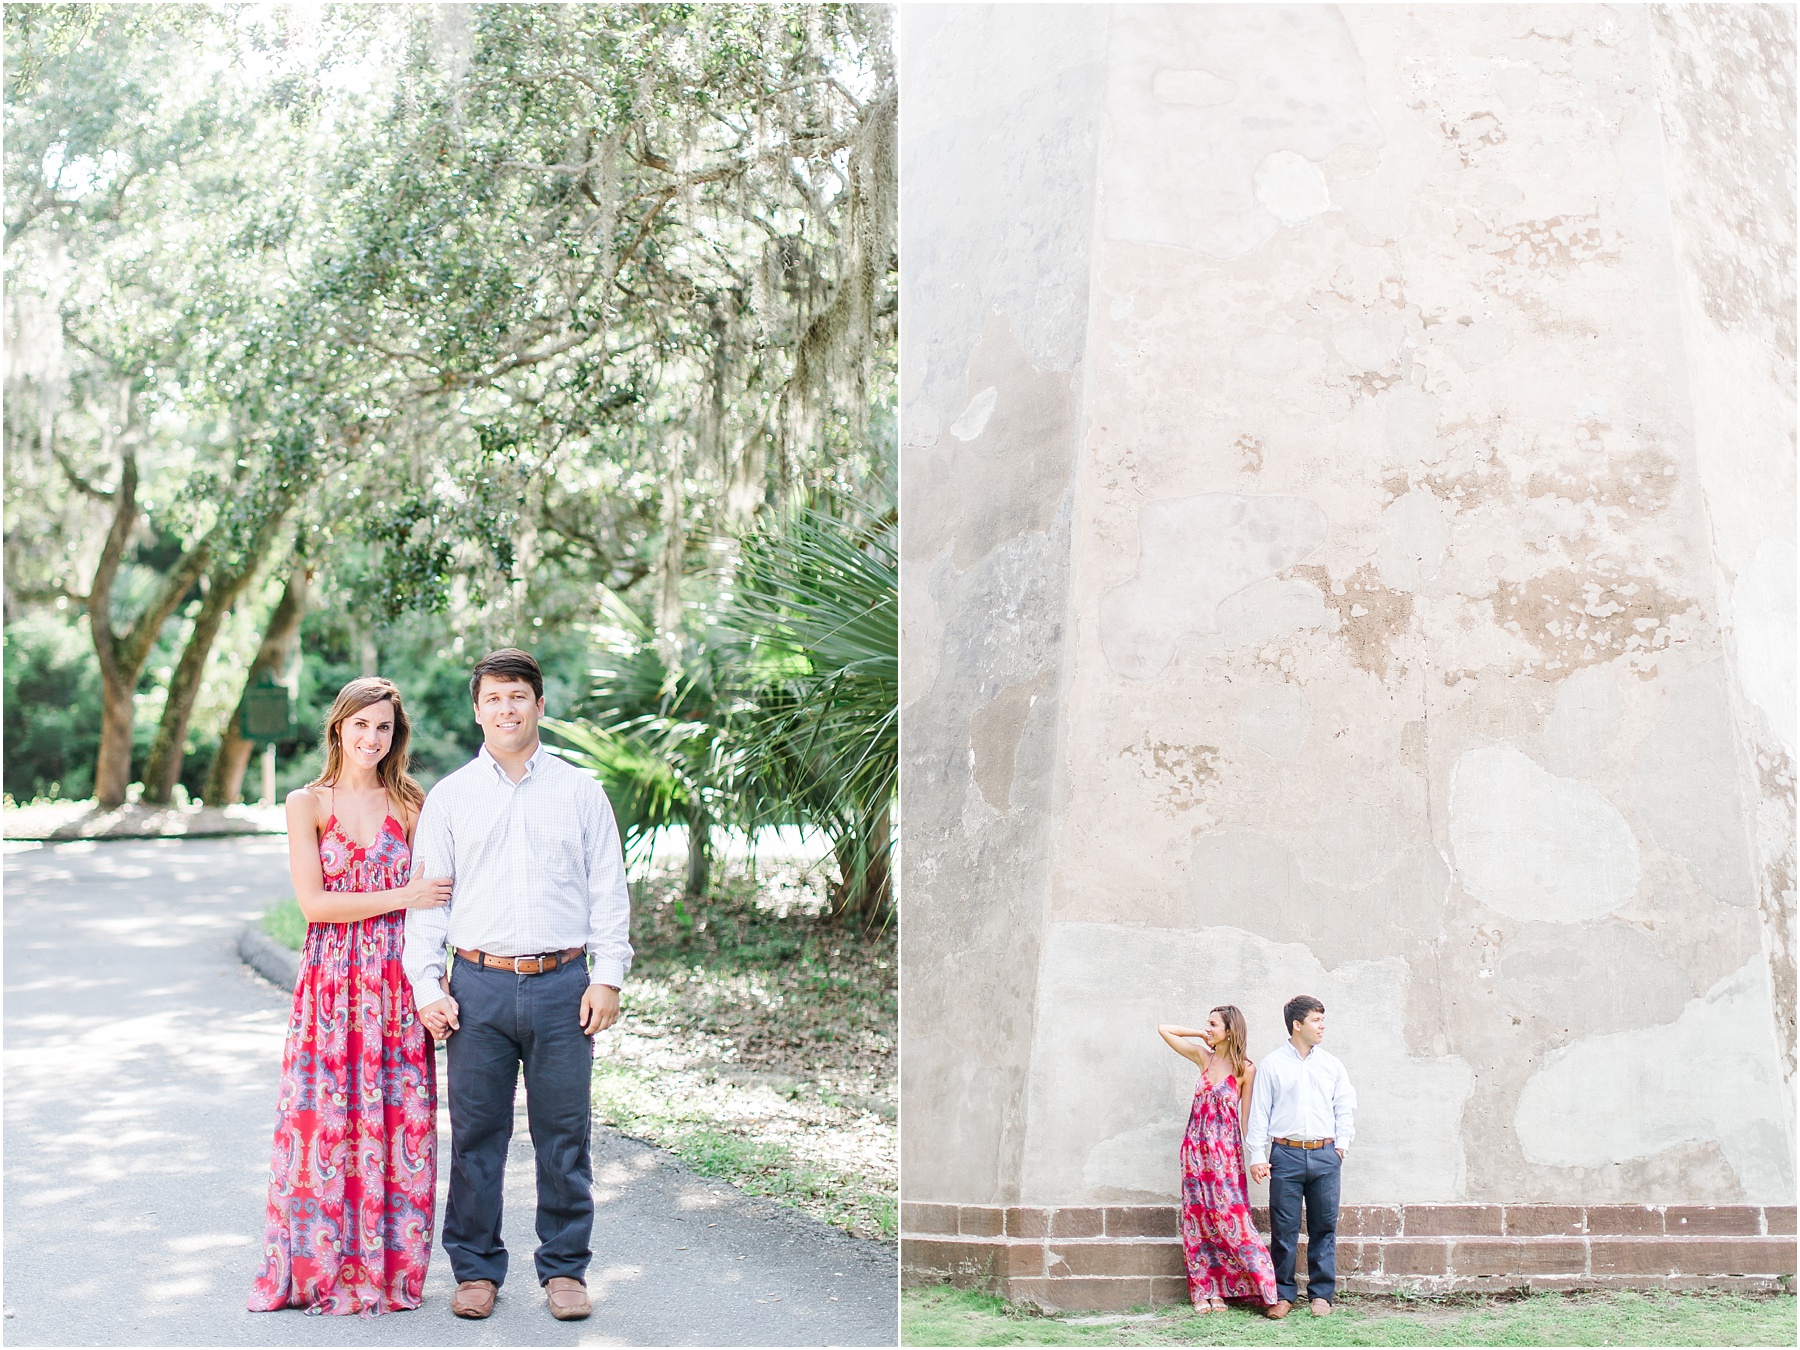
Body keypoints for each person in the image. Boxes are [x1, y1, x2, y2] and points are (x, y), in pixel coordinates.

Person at [403, 648, 633, 1323]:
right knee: (477, 1136)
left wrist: (608, 976)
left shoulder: (579, 790)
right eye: (494, 697)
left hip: (564, 984)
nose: (507, 708)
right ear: (478, 710)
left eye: (518, 696)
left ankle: (564, 1270)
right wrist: (427, 987)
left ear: (539, 705)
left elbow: (607, 889)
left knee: (565, 1134)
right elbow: (430, 903)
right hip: (478, 987)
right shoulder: (450, 797)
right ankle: (475, 1271)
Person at [248, 677, 453, 1316]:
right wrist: (400, 896)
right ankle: (316, 1269)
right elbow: (315, 905)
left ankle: (390, 1270)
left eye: (384, 728)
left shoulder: (412, 804)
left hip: (395, 984)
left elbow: (440, 898)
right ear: (338, 726)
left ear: (396, 736)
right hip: (330, 988)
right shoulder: (305, 803)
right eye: (361, 724)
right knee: (325, 1125)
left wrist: (434, 978)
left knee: (397, 1121)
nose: (372, 737)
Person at [1157, 1007, 1278, 1313]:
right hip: (1195, 1153)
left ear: (1230, 1029)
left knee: (1228, 1217)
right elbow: (1164, 1029)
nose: (1208, 1028)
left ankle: (1245, 1286)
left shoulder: (1246, 1070)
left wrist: (1257, 1156)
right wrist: (1201, 1034)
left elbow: (1249, 1120)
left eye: (1213, 1024)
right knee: (1197, 1219)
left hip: (1226, 1156)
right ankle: (1204, 1292)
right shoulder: (1202, 1057)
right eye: (1207, 1024)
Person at [1244, 994, 1356, 1319]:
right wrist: (1256, 1154)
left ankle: (1321, 1294)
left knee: (1324, 1227)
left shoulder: (1331, 1064)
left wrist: (1340, 1146)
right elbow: (1259, 1113)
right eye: (1316, 1020)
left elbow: (1344, 1105)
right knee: (1284, 1229)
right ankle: (1283, 1294)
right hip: (1286, 1155)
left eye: (1323, 1019)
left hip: (1325, 1155)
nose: (1322, 1026)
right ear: (1297, 1025)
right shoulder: (1272, 1064)